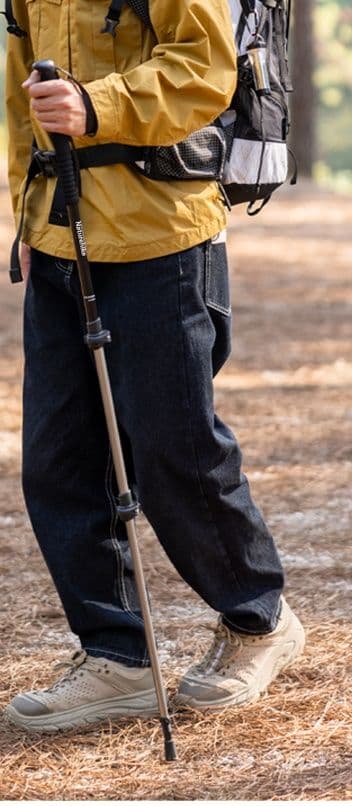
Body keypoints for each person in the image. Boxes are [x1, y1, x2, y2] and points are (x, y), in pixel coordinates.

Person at [4, 0, 304, 733]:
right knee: (58, 458)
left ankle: (258, 621)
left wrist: (94, 104)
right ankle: (118, 656)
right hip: (60, 229)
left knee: (174, 448)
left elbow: (203, 70)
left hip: (161, 236)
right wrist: (23, 207)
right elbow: (21, 90)